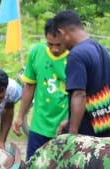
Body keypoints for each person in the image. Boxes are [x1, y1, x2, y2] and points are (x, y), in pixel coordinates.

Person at [51, 10, 110, 138]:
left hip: (88, 136)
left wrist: (72, 133)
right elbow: (95, 91)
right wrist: (69, 120)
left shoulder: (76, 55)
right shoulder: (100, 49)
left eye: (59, 38)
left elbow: (79, 94)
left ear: (62, 33)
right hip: (107, 128)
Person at [14, 20, 70, 159]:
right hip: (39, 126)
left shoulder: (75, 56)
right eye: (50, 44)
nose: (55, 49)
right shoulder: (36, 52)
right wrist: (20, 115)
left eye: (59, 45)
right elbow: (30, 85)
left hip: (65, 127)